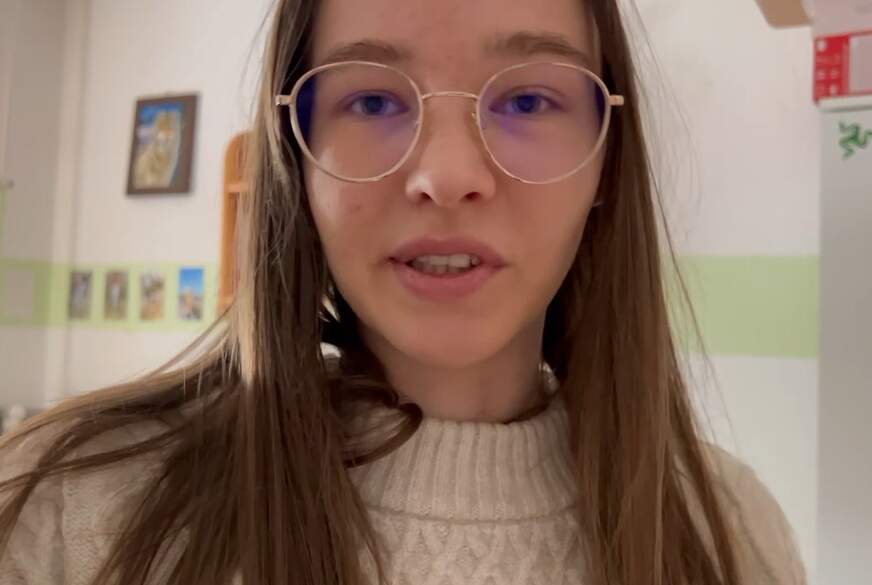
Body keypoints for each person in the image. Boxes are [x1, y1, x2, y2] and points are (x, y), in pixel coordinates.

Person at [0, 0, 807, 584]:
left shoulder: (732, 534)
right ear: (297, 160)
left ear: (606, 160)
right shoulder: (66, 514)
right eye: (374, 100)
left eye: (528, 99)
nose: (447, 176)